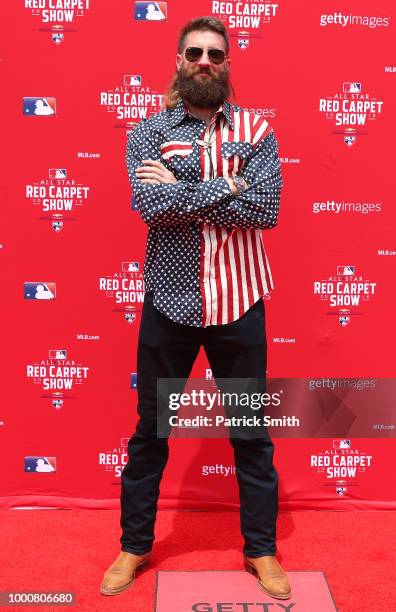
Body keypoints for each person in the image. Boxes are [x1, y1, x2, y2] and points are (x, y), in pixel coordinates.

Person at [100, 16, 291, 600]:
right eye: (194, 53)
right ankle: (135, 545)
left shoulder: (258, 129)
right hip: (170, 305)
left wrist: (186, 191)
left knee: (252, 434)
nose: (205, 62)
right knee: (150, 433)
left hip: (240, 302)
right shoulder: (148, 132)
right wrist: (229, 186)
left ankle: (260, 549)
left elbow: (267, 210)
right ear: (178, 61)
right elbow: (153, 208)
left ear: (228, 63)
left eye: (215, 54)